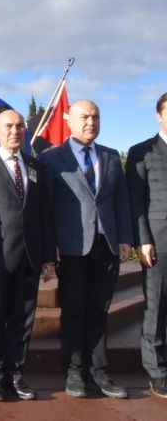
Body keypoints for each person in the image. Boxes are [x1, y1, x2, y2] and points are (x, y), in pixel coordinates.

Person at [39, 100, 133, 399]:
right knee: (75, 311)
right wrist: (48, 253)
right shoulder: (51, 159)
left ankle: (100, 372)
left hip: (106, 247)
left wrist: (125, 238)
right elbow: (45, 210)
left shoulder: (110, 156)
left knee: (99, 311)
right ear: (69, 120)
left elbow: (121, 200)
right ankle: (75, 372)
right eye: (84, 117)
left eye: (95, 116)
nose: (91, 122)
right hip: (71, 249)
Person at [0, 110, 55, 401]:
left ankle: (16, 375)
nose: (15, 131)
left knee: (23, 321)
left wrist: (47, 257)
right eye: (9, 126)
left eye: (20, 126)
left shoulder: (35, 166)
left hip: (30, 258)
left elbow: (44, 215)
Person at [125, 92, 167, 398]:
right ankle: (157, 371)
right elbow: (136, 203)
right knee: (156, 307)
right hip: (158, 241)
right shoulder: (142, 152)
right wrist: (143, 241)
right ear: (159, 115)